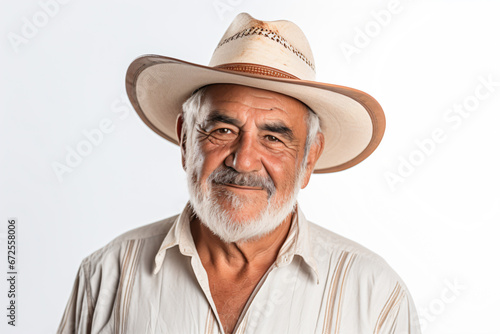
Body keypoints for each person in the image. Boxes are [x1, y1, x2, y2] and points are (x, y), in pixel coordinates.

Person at [57, 13, 421, 334]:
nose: (244, 161)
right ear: (185, 139)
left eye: (273, 137)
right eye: (223, 130)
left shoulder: (375, 297)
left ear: (309, 158)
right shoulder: (108, 275)